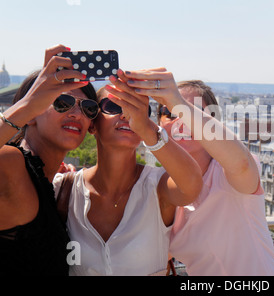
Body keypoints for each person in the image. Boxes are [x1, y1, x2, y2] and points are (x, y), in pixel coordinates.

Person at [124, 70, 274, 276]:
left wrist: (175, 100)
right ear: (160, 123)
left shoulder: (227, 174)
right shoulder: (162, 187)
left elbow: (242, 165)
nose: (181, 120)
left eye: (190, 111)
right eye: (170, 113)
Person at [53, 69, 203, 275]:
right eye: (113, 106)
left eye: (137, 109)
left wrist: (147, 128)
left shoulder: (157, 186)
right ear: (92, 125)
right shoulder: (64, 189)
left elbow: (193, 184)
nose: (126, 114)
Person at [0, 45, 97, 275]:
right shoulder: (11, 162)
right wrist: (25, 107)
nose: (76, 113)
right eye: (62, 102)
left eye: (88, 107)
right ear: (32, 113)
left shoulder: (48, 182)